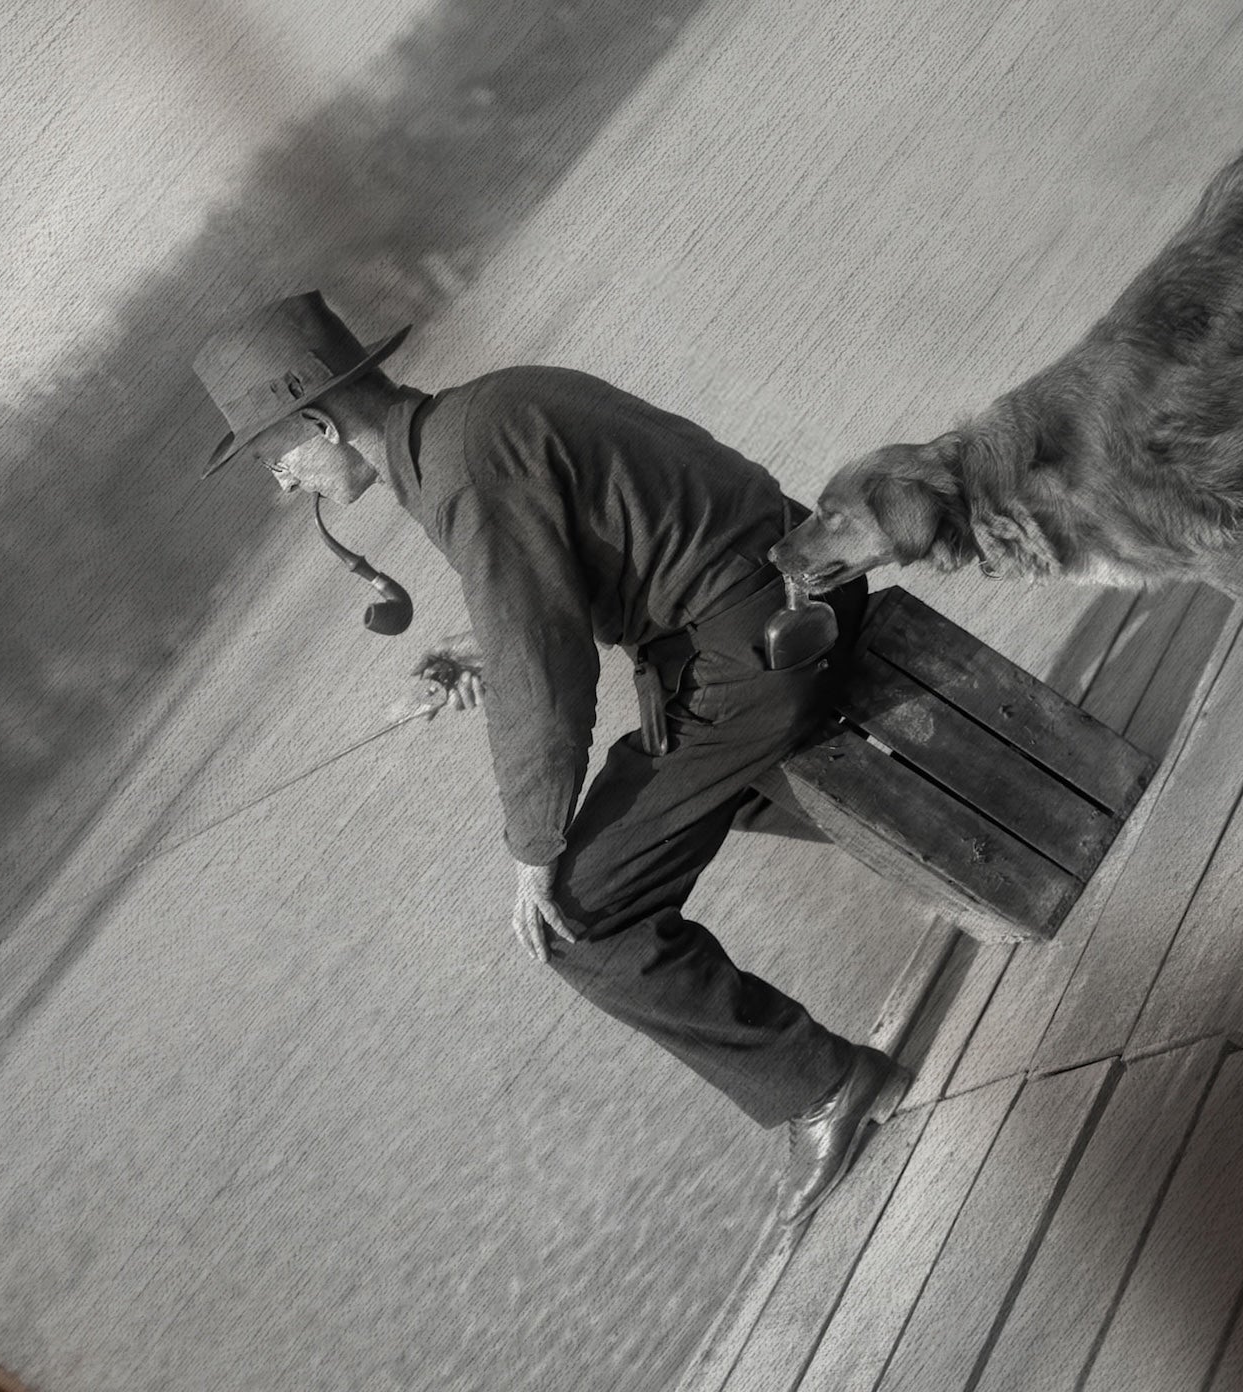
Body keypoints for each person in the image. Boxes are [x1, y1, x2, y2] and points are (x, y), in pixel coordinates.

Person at [193, 290, 908, 1224]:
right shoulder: (478, 417)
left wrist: (534, 849)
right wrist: (486, 646)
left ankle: (824, 1087)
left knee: (579, 913)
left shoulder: (461, 473)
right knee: (694, 797)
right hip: (784, 597)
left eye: (274, 455)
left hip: (757, 647)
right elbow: (561, 604)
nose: (284, 483)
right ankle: (946, 844)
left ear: (320, 418)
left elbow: (547, 671)